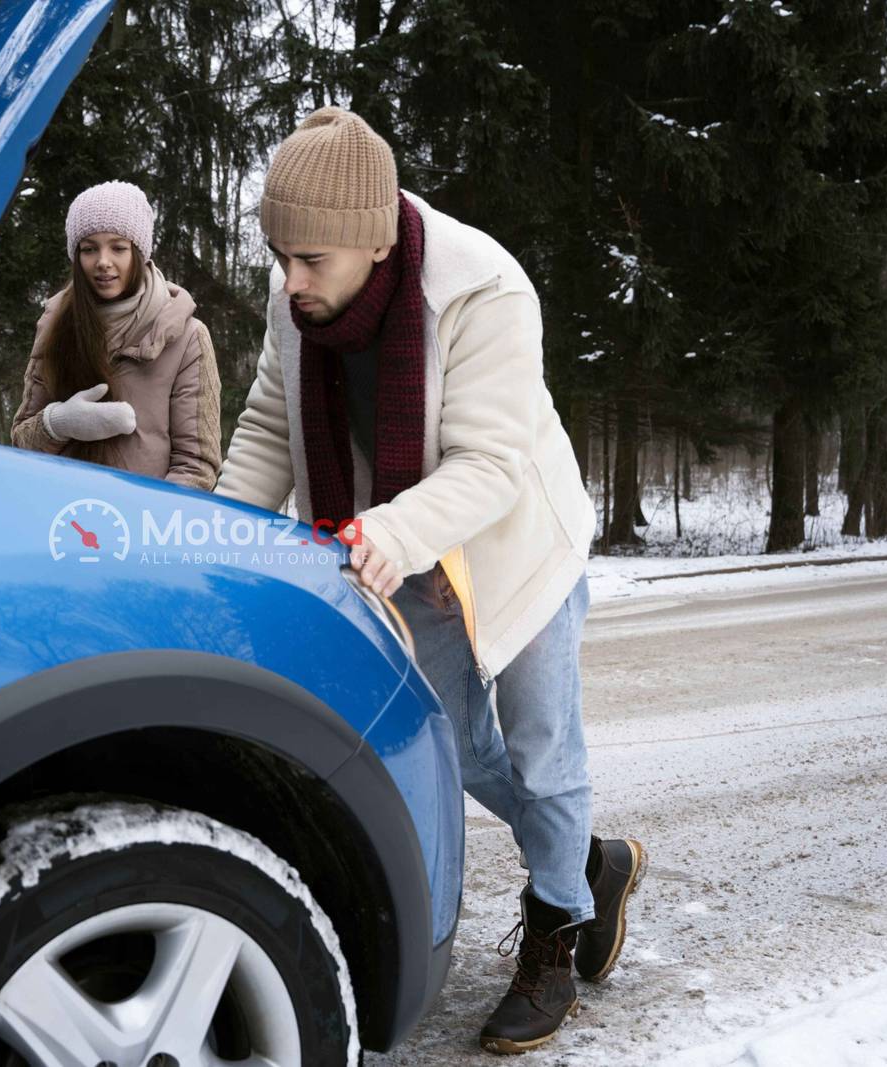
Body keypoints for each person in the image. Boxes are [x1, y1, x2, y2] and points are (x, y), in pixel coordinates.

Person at [213, 108, 645, 1054]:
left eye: (310, 259)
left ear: (375, 239)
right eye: (279, 254)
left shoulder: (485, 287)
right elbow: (264, 433)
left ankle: (557, 933)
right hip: (400, 546)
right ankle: (594, 860)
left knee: (540, 752)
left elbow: (492, 463)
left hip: (508, 543)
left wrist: (391, 532)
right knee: (454, 749)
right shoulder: (303, 297)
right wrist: (220, 540)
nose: (290, 281)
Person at [10, 180, 222, 490]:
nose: (103, 262)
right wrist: (57, 423)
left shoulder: (188, 337)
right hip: (60, 517)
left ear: (139, 252)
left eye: (118, 247)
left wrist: (144, 521)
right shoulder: (54, 327)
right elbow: (21, 442)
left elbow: (197, 465)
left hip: (144, 526)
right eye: (89, 249)